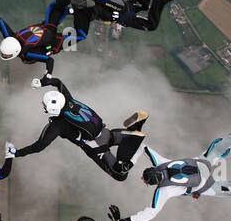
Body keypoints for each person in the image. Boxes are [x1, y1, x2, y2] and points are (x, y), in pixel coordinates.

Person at [116, 121, 231, 221]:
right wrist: (130, 162)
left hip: (203, 185)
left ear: (154, 183)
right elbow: (143, 147)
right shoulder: (160, 162)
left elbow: (151, 213)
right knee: (218, 148)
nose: (142, 179)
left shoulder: (164, 190)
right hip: (202, 162)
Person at [13, 73, 147, 180]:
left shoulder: (58, 125)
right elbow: (58, 82)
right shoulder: (67, 98)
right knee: (123, 139)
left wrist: (17, 153)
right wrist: (43, 82)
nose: (43, 106)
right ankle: (134, 130)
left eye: (45, 105)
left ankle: (126, 155)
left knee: (120, 174)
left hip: (96, 145)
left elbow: (39, 145)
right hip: (105, 131)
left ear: (53, 109)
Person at [63, 0, 174, 35]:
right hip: (124, 5)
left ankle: (159, 0)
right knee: (143, 5)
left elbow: (87, 18)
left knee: (151, 26)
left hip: (123, 17)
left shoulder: (88, 8)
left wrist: (72, 13)